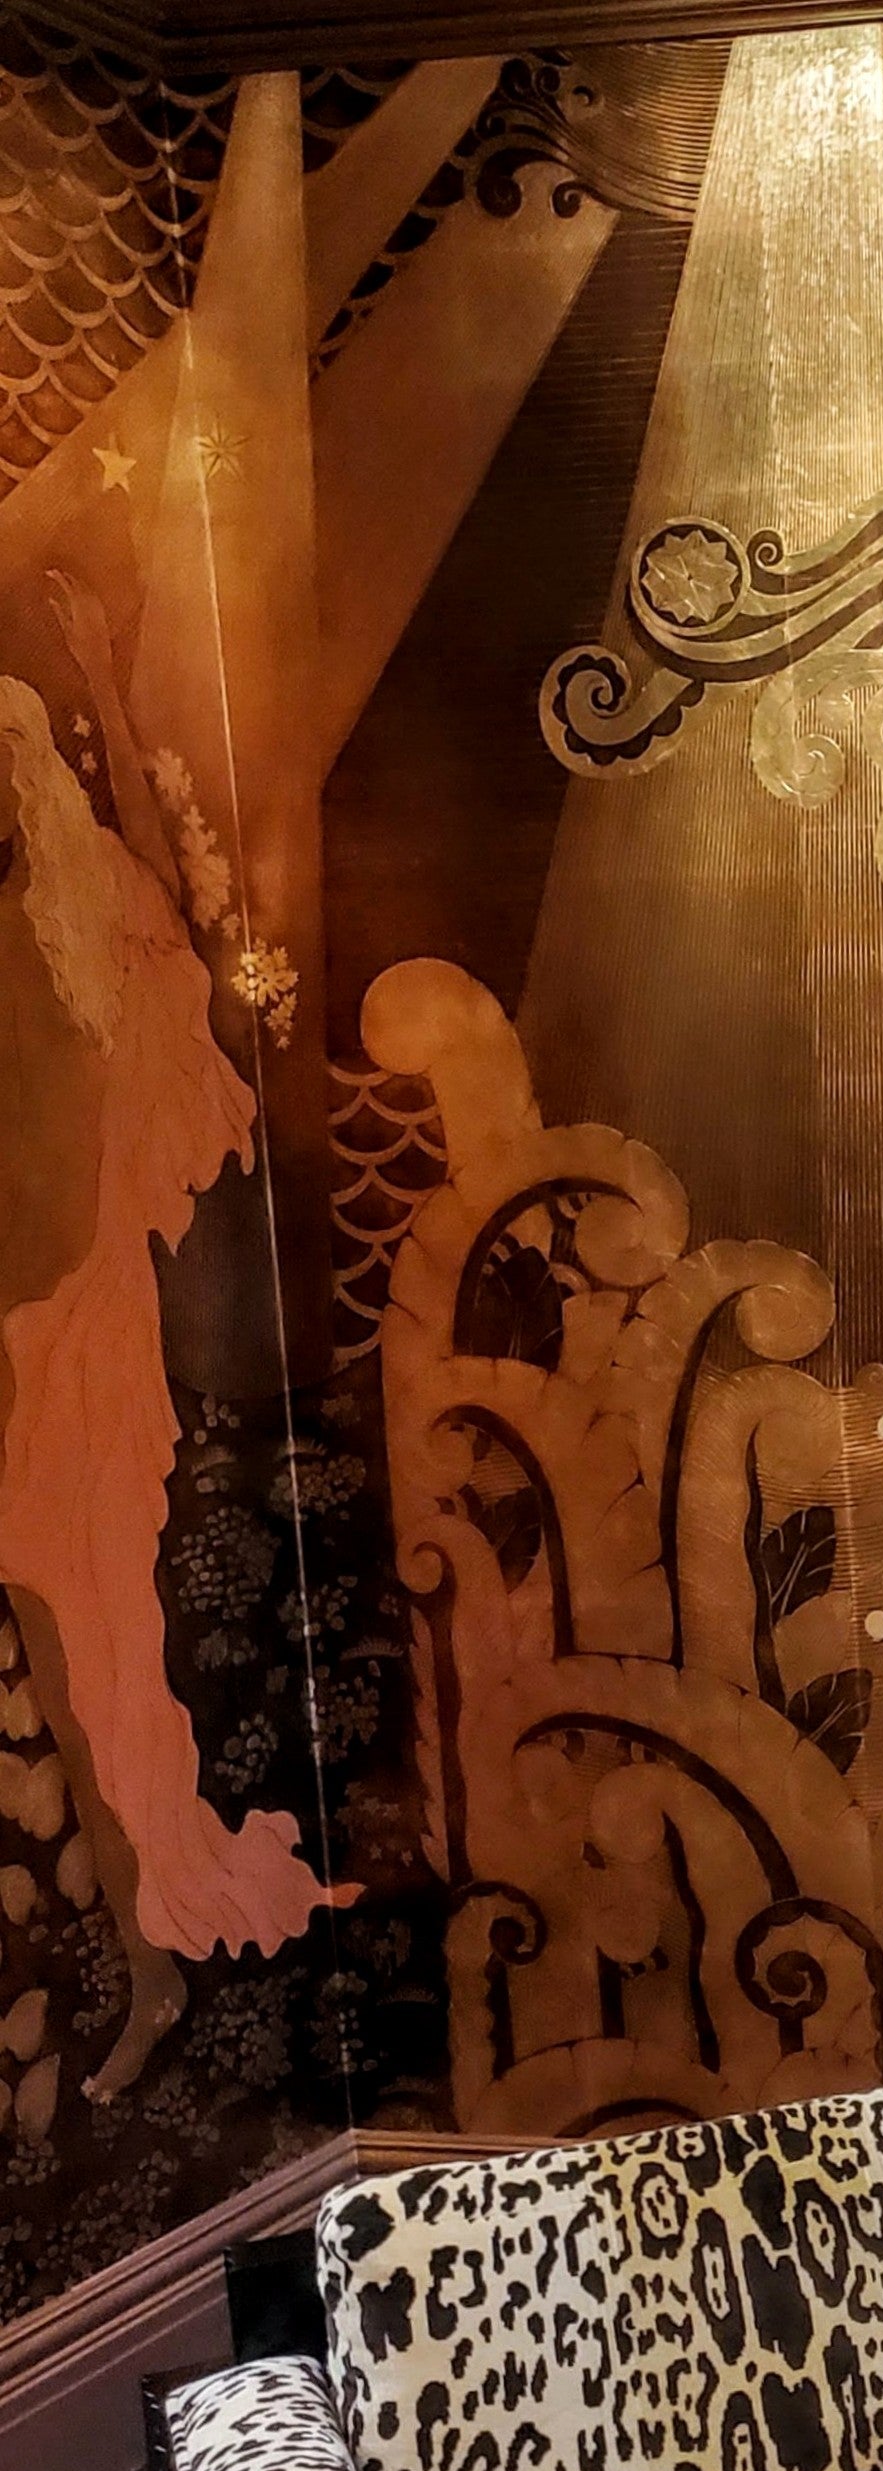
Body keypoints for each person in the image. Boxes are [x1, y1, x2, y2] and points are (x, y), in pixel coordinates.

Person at [0, 572, 322, 2096]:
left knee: (92, 1648)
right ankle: (142, 1953)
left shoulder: (82, 943)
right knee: (77, 1653)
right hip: (49, 1330)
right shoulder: (57, 939)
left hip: (69, 1334)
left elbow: (161, 898)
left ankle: (150, 1961)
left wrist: (111, 697)